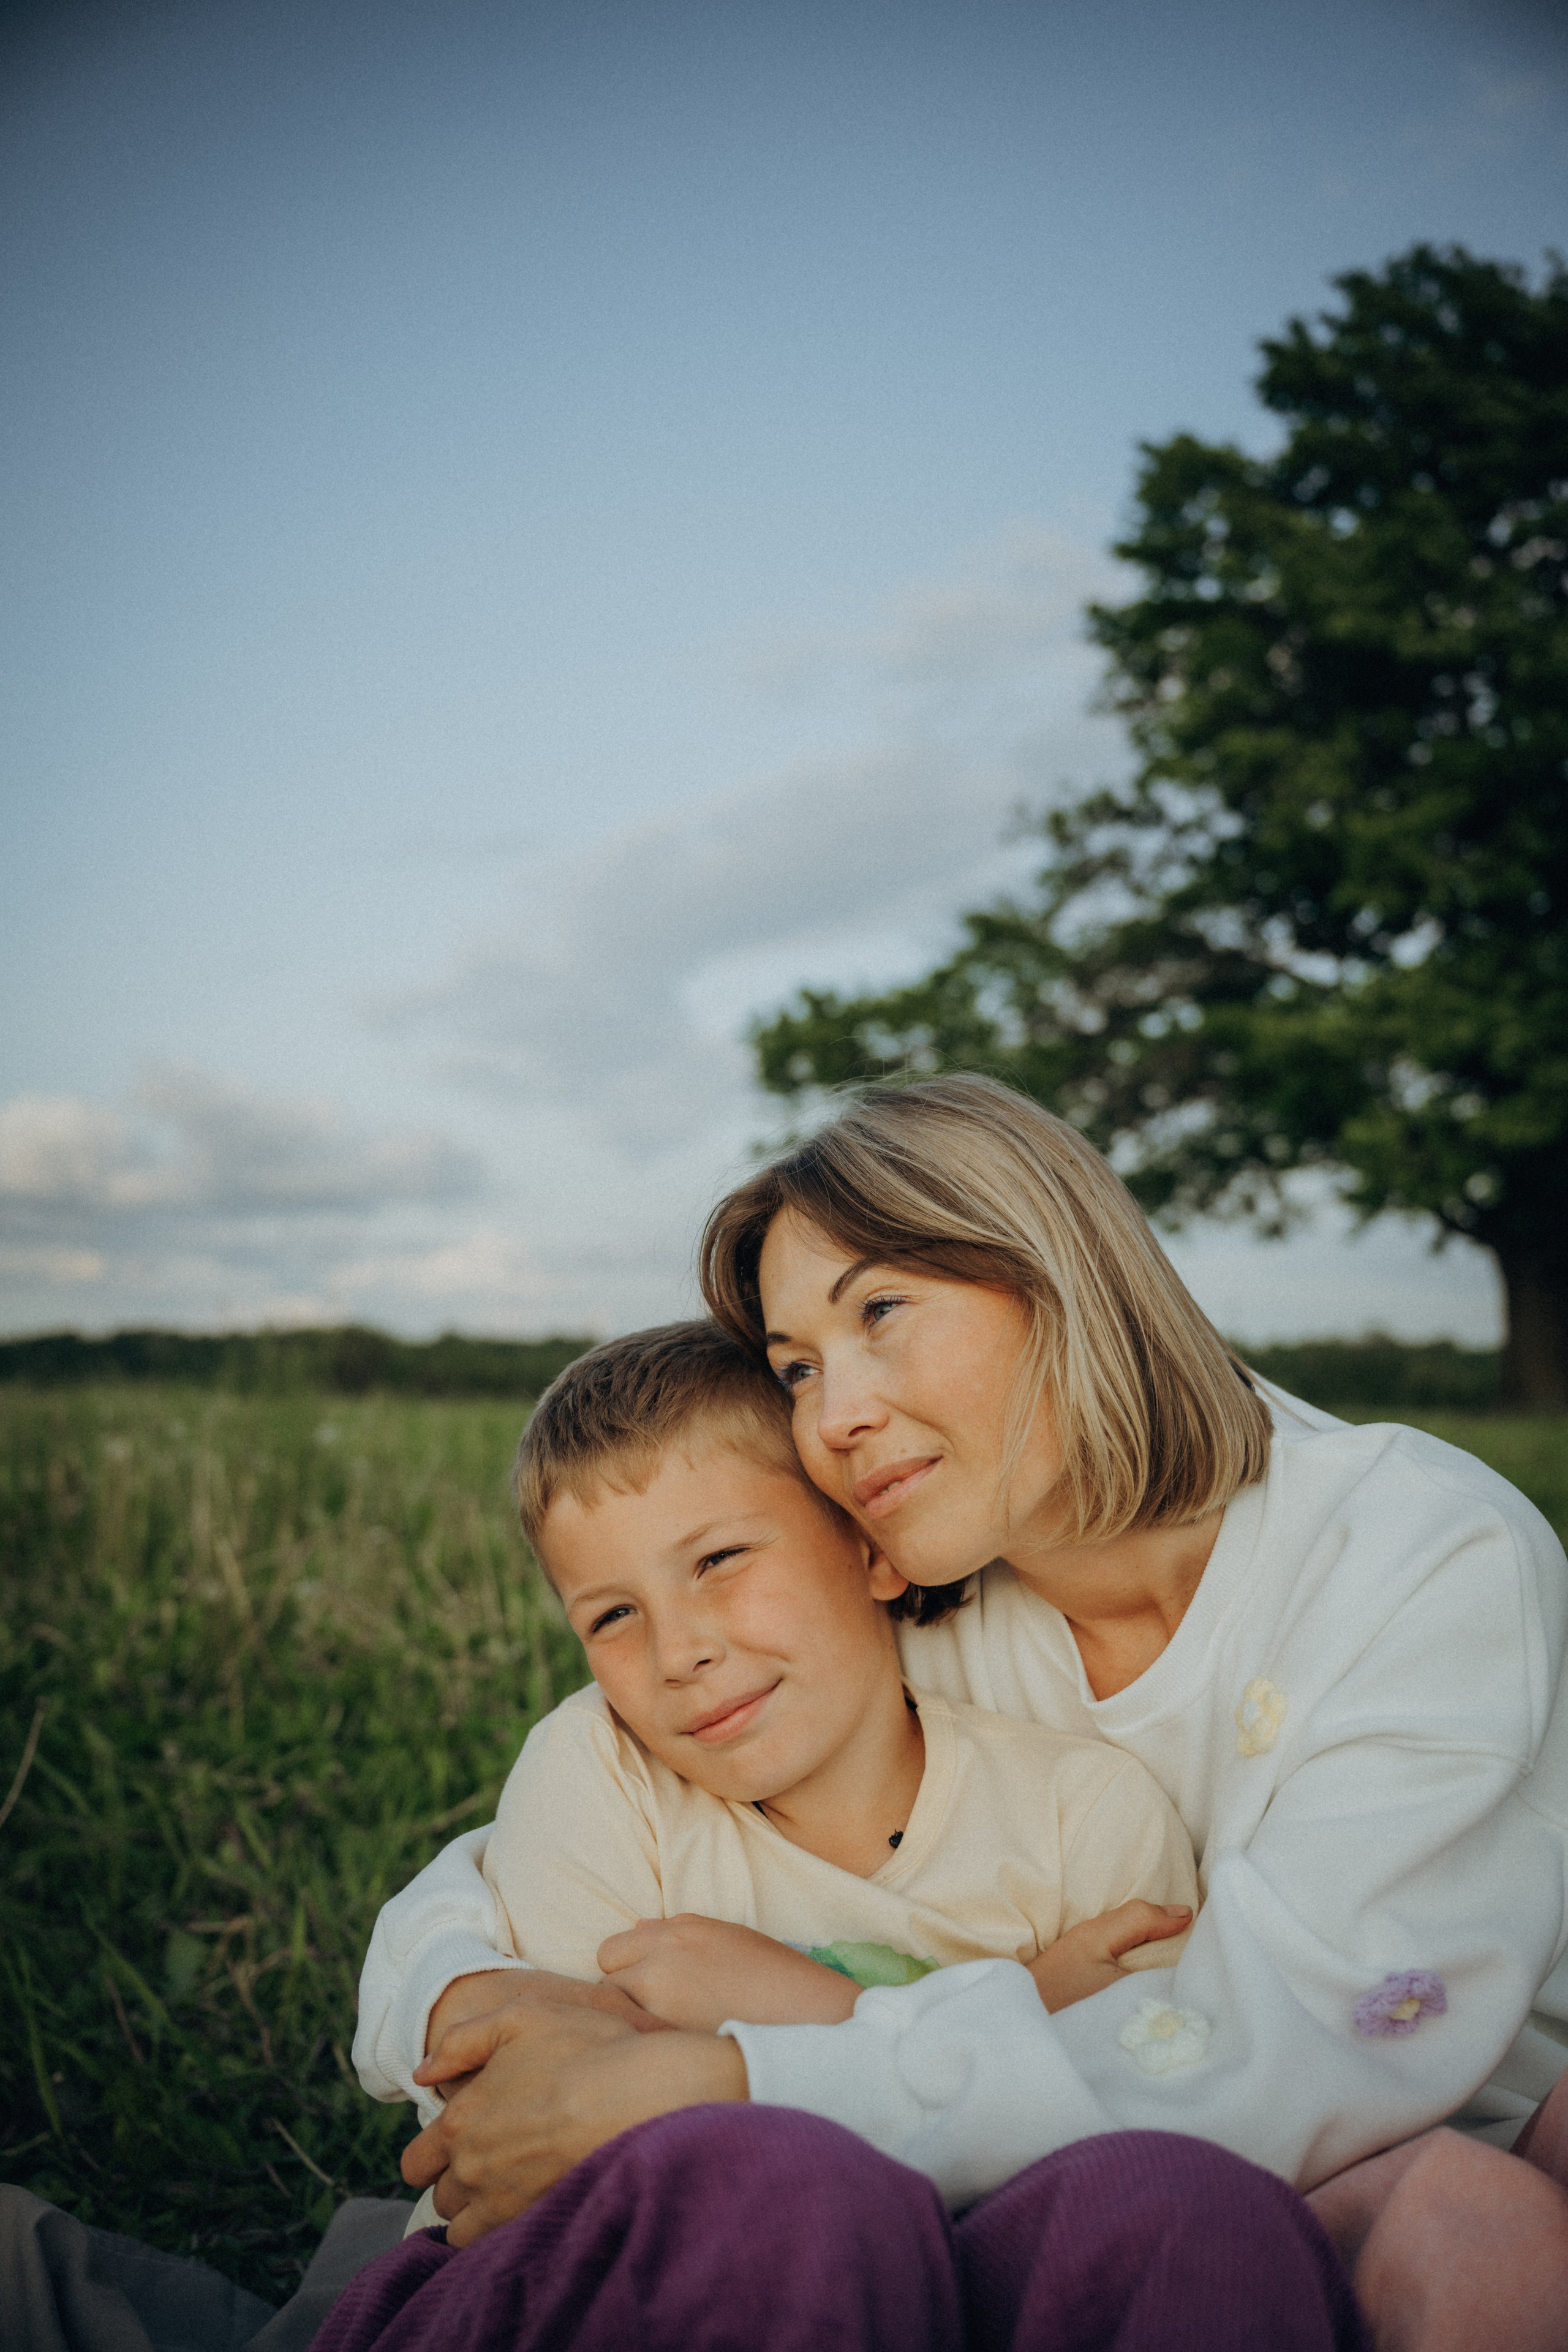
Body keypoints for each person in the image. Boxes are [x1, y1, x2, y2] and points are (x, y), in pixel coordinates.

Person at [347, 1076, 1568, 2351]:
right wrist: (480, 1998)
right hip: (1105, 2157)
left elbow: (1313, 2045)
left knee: (1478, 2231)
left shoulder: (1413, 1551)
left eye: (881, 1311)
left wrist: (736, 2064)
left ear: (1061, 1276)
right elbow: (546, 1824)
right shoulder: (932, 1595)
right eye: (796, 1367)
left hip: (1438, 2107)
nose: (835, 1416)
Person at [388, 1317, 1198, 2233]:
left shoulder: (1081, 1817)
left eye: (719, 1560)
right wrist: (1026, 2019)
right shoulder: (601, 1773)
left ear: (872, 1548)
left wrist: (805, 2011)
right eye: (613, 1616)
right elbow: (556, 2113)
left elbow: (1143, 2113)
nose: (679, 1652)